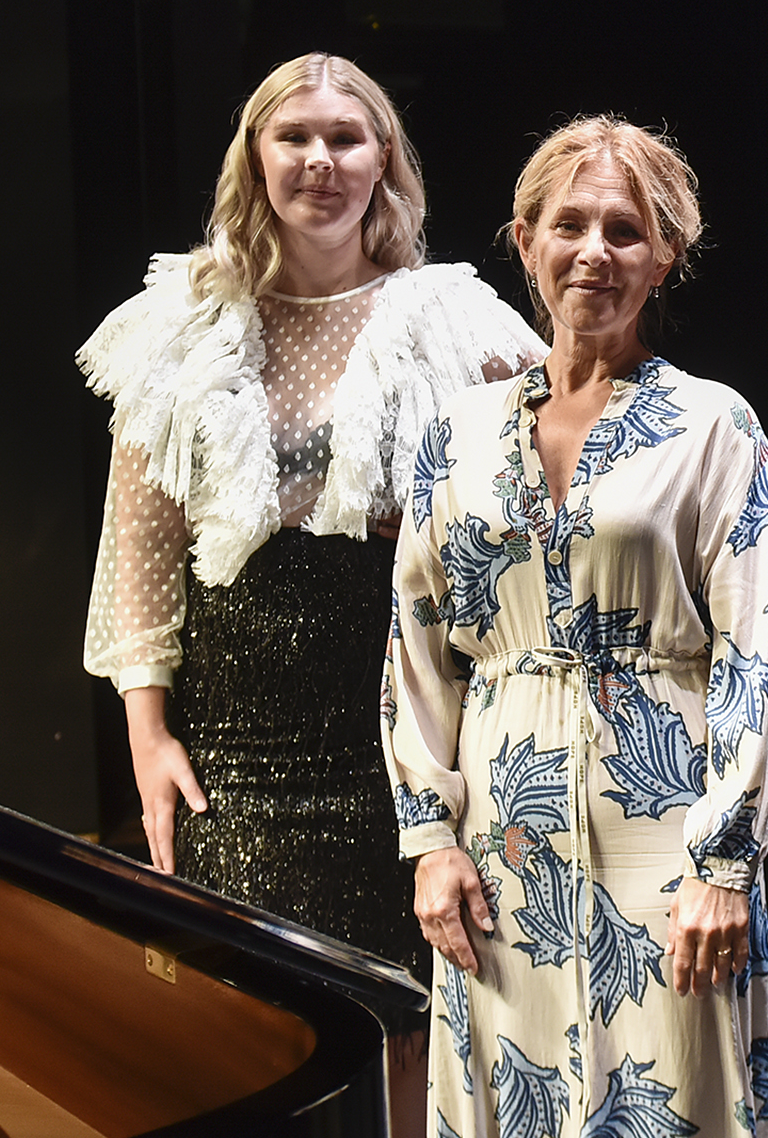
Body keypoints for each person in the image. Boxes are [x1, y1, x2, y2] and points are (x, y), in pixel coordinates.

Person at [387, 117, 768, 1138]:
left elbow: (759, 652)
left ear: (665, 256)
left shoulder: (715, 428)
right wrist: (428, 838)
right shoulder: (457, 436)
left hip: (663, 862)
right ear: (522, 242)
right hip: (503, 872)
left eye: (625, 230)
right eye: (568, 225)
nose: (594, 251)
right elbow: (418, 645)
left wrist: (725, 863)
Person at [78, 52, 540, 969]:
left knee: (411, 1000)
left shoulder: (450, 317)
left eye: (344, 137)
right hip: (237, 743)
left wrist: (440, 527)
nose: (319, 160)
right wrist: (147, 734)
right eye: (294, 136)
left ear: (382, 158)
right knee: (255, 999)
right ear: (256, 156)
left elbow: (552, 464)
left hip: (406, 719)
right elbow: (140, 546)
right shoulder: (182, 321)